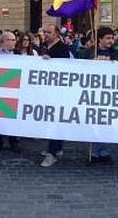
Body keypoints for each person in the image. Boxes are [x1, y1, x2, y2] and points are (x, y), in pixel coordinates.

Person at [86, 27, 118, 165]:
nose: (111, 41)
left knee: (106, 122)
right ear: (99, 39)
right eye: (107, 38)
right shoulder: (90, 52)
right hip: (93, 92)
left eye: (112, 38)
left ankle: (104, 151)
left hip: (110, 92)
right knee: (94, 121)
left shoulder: (116, 53)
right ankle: (93, 152)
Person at [40, 24, 70, 168]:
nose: (46, 34)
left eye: (49, 32)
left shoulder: (62, 48)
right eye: (44, 31)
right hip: (49, 90)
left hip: (59, 91)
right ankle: (56, 148)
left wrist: (50, 62)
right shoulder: (47, 46)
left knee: (54, 120)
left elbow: (63, 67)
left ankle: (52, 154)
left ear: (57, 33)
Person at [0, 31, 21, 153]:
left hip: (12, 91)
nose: (13, 42)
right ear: (2, 42)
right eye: (10, 40)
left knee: (12, 117)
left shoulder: (18, 54)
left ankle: (14, 142)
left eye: (14, 40)